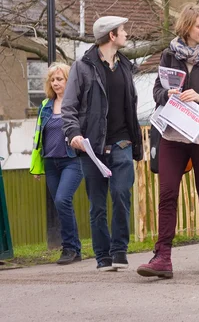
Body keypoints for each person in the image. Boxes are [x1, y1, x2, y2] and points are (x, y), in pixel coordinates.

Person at [137, 4, 199, 279]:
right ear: (186, 28)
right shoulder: (169, 55)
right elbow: (157, 89)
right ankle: (162, 257)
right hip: (173, 133)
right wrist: (165, 95)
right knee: (167, 193)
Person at [62, 16, 142, 271]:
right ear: (111, 36)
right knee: (97, 205)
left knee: (121, 195)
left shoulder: (126, 67)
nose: (126, 34)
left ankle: (119, 250)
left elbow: (132, 105)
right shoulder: (82, 67)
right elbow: (69, 106)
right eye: (122, 30)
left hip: (122, 143)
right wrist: (73, 132)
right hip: (92, 147)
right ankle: (102, 257)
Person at [30, 62, 83, 265]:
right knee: (62, 204)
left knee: (62, 200)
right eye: (52, 80)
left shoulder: (77, 104)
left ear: (68, 81)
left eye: (59, 79)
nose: (55, 83)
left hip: (72, 160)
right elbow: (38, 139)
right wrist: (37, 167)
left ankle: (69, 248)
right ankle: (74, 248)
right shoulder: (45, 106)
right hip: (50, 162)